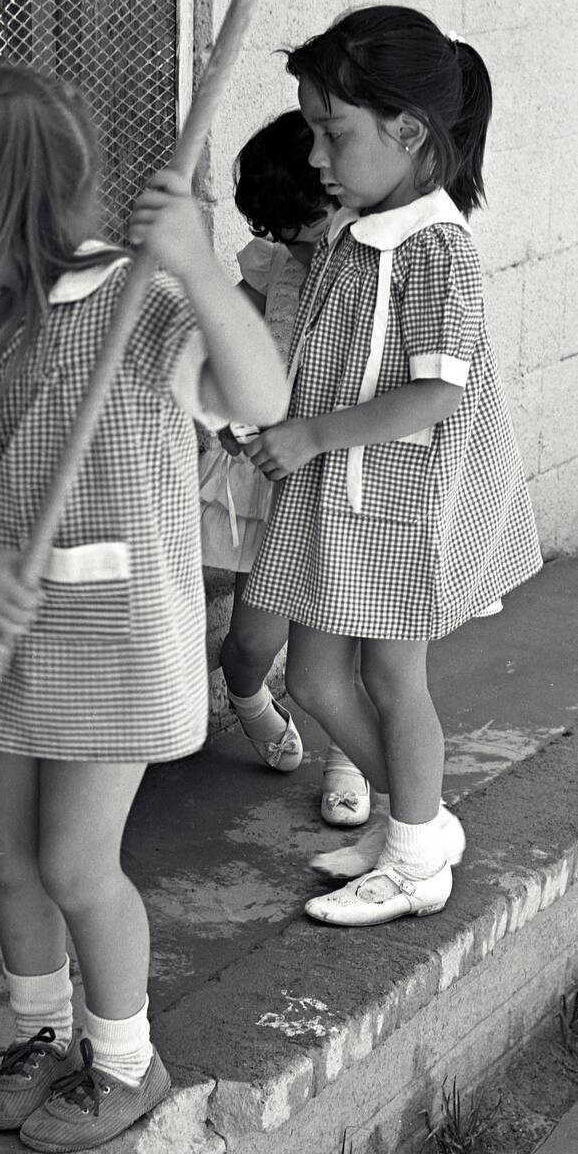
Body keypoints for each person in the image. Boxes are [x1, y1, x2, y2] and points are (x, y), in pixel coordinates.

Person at [0, 65, 288, 1150]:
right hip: (0, 628)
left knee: (75, 861)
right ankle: (41, 1031)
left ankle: (124, 1059)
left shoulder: (148, 307)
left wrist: (202, 266)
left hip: (112, 638)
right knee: (9, 854)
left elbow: (261, 399)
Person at [241, 5, 542, 926]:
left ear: (408, 131)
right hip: (340, 497)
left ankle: (416, 858)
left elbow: (436, 393)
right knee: (315, 679)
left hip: (397, 509)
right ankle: (420, 823)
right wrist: (269, 420)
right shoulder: (353, 231)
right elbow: (319, 353)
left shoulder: (435, 249)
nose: (318, 158)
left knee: (392, 679)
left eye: (332, 133)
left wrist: (316, 435)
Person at [201, 110, 370, 829]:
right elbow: (223, 347)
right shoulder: (274, 265)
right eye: (286, 235)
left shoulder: (367, 265)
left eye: (311, 229)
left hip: (347, 471)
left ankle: (351, 753)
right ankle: (246, 695)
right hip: (273, 473)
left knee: (347, 627)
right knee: (254, 638)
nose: (303, 249)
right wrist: (225, 415)